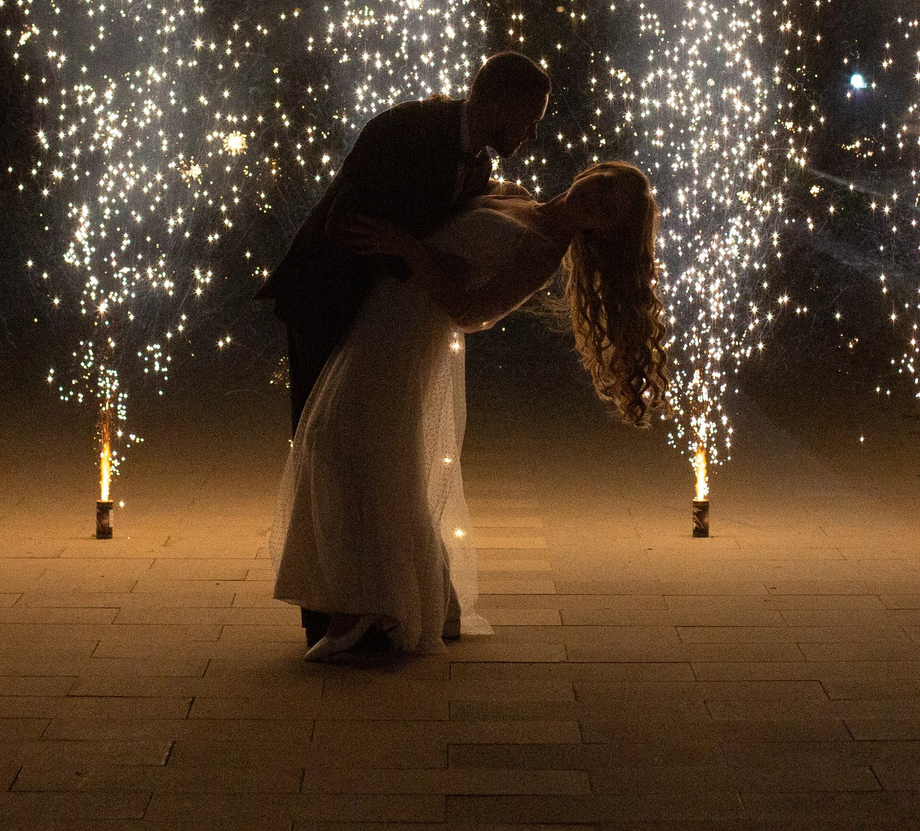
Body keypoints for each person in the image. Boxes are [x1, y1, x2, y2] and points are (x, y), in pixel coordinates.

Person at [269, 161, 667, 662]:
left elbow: (473, 312)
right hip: (384, 315)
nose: (598, 198)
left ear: (606, 231)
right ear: (594, 170)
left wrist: (408, 250)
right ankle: (420, 601)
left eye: (610, 209)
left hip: (409, 336)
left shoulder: (544, 250)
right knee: (359, 450)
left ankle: (367, 609)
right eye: (604, 184)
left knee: (343, 445)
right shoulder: (517, 195)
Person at [261, 51, 553, 641]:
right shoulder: (406, 130)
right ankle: (328, 619)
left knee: (359, 453)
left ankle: (365, 600)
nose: (532, 132)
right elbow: (346, 224)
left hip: (377, 313)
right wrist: (411, 253)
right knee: (326, 448)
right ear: (496, 102)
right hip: (327, 299)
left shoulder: (472, 166)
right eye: (529, 117)